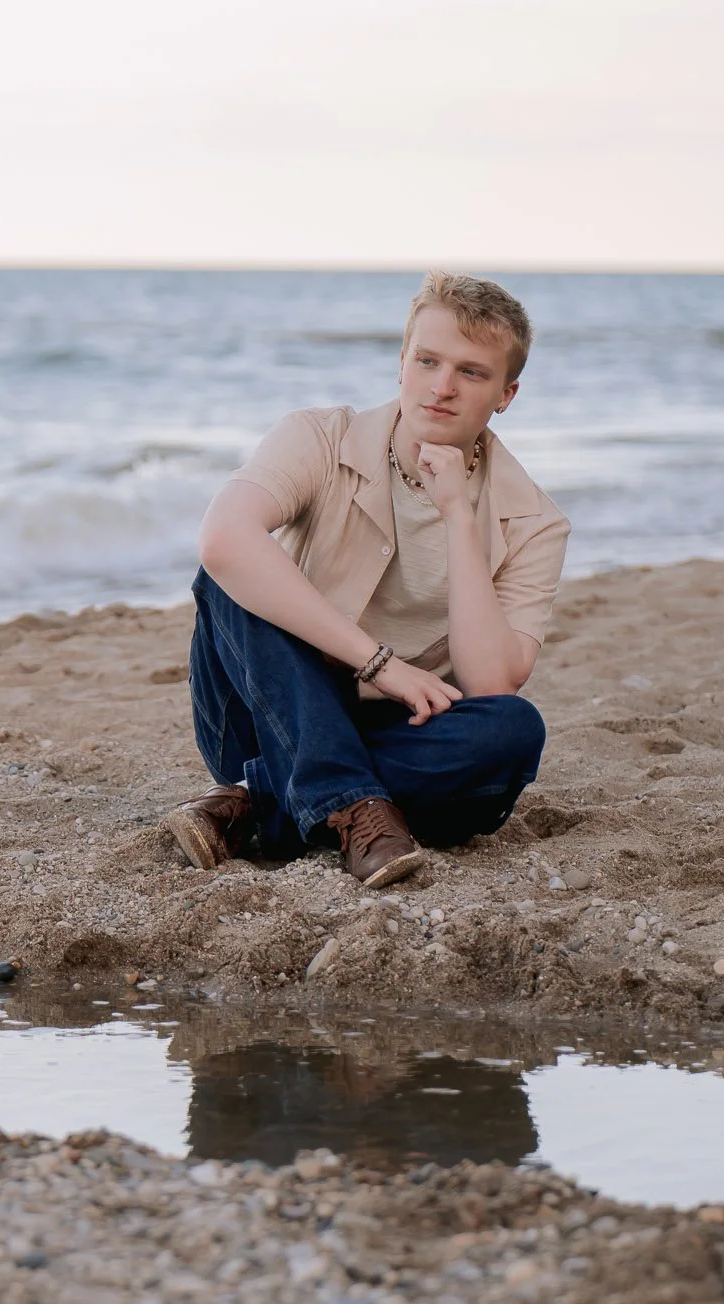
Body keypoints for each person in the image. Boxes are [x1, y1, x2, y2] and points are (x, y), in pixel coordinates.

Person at [164, 272, 569, 889]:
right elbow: (223, 538)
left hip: (399, 732)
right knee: (229, 573)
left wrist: (460, 515)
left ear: (506, 394)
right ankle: (355, 803)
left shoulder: (534, 522)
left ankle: (260, 800)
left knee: (514, 729)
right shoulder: (318, 438)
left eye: (472, 372)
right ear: (400, 362)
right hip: (269, 707)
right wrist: (378, 663)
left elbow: (490, 682)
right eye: (427, 360)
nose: (442, 387)